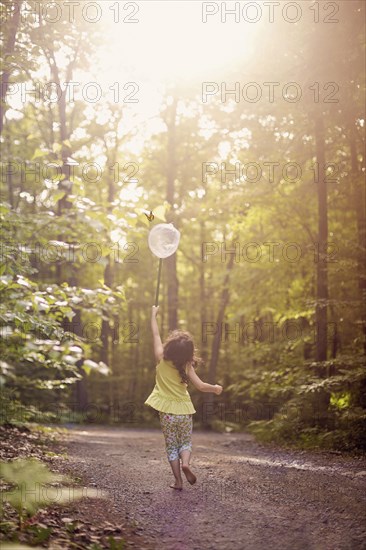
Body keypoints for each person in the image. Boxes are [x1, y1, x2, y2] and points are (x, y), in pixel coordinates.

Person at [145, 305, 223, 491]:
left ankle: (178, 482)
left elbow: (156, 336)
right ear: (188, 353)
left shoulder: (161, 358)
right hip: (185, 412)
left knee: (171, 447)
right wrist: (216, 388)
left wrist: (153, 316)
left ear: (169, 347)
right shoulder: (187, 365)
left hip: (167, 413)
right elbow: (201, 386)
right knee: (185, 443)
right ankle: (186, 463)